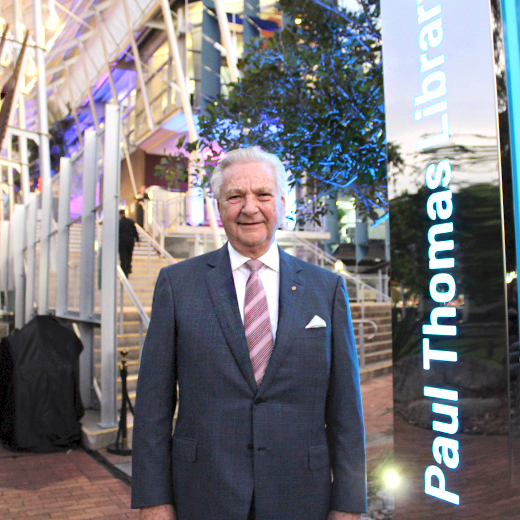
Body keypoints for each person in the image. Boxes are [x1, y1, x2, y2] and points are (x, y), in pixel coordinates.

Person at [131, 147, 366, 520]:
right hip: (204, 493)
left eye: (263, 194)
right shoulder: (177, 285)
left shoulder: (327, 289)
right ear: (219, 206)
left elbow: (346, 410)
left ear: (283, 203)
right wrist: (153, 500)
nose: (249, 207)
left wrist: (349, 504)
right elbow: (152, 406)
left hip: (302, 496)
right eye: (235, 196)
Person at [119, 209, 139, 277]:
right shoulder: (131, 221)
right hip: (130, 241)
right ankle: (128, 267)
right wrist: (138, 240)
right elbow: (135, 231)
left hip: (122, 242)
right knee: (129, 255)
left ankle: (124, 270)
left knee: (123, 256)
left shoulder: (119, 222)